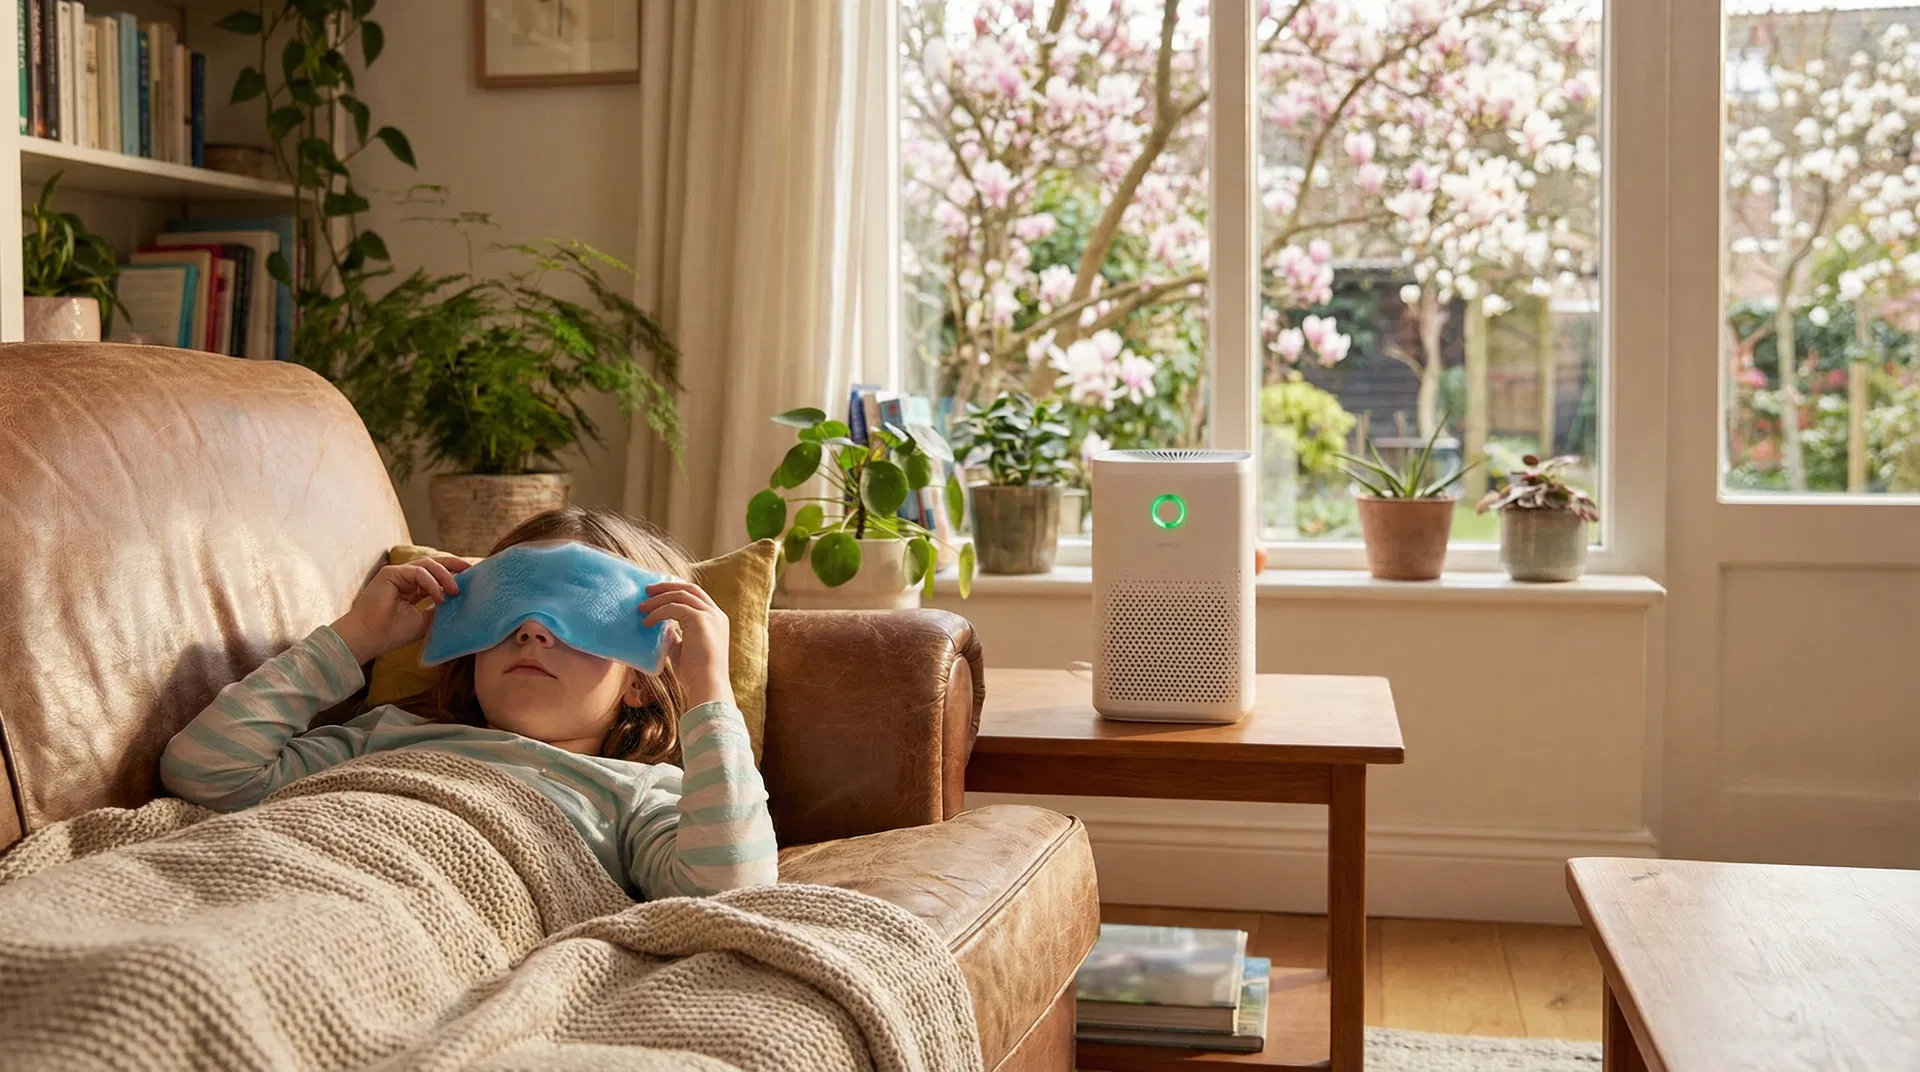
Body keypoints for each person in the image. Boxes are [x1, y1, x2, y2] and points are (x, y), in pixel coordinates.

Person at [159, 506, 776, 900]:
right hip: (281, 873)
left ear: (641, 678)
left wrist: (709, 692)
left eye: (583, 620)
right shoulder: (384, 735)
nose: (534, 630)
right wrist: (358, 639)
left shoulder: (634, 795)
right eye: (509, 608)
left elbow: (727, 888)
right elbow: (205, 770)